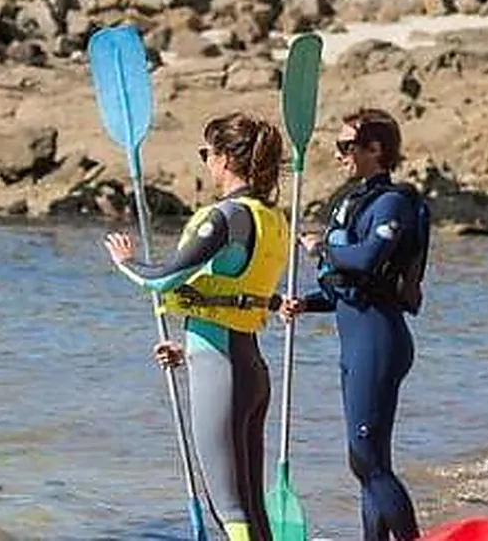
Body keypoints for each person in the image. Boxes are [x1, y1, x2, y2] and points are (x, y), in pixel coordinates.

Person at [103, 112, 291, 541]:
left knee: (228, 507)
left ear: (225, 159)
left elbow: (162, 277)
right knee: (250, 505)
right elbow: (229, 295)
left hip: (222, 370)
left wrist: (125, 261)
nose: (206, 161)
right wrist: (188, 351)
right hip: (246, 365)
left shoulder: (225, 217)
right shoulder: (271, 217)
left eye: (207, 153)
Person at [280, 107, 430, 541]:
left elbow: (367, 259)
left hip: (380, 340)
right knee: (366, 461)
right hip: (356, 343)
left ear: (375, 149)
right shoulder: (353, 202)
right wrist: (306, 304)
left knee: (366, 460)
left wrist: (318, 249)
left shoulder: (392, 203)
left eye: (347, 146)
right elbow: (343, 290)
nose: (339, 154)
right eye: (339, 146)